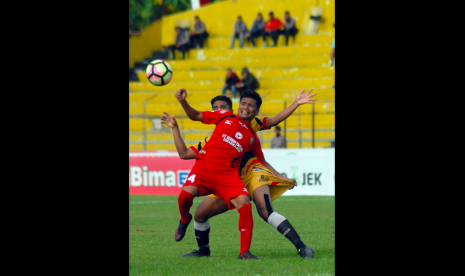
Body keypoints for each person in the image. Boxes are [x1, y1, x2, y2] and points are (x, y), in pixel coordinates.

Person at [160, 91, 318, 259]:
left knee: (265, 211)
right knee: (199, 214)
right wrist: (176, 124)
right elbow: (184, 153)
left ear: (230, 109)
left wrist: (281, 177)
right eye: (215, 108)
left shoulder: (250, 127)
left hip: (251, 174)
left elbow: (272, 124)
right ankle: (203, 251)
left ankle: (300, 247)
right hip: (226, 177)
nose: (218, 110)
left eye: (222, 107)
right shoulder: (211, 140)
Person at [171, 89, 268, 260]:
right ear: (237, 107)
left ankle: (244, 253)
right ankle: (184, 219)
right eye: (243, 104)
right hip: (205, 167)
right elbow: (195, 116)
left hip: (228, 174)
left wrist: (280, 176)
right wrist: (183, 102)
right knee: (184, 197)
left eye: (250, 105)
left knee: (245, 205)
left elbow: (262, 160)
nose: (245, 108)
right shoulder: (225, 117)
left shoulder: (253, 137)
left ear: (256, 111)